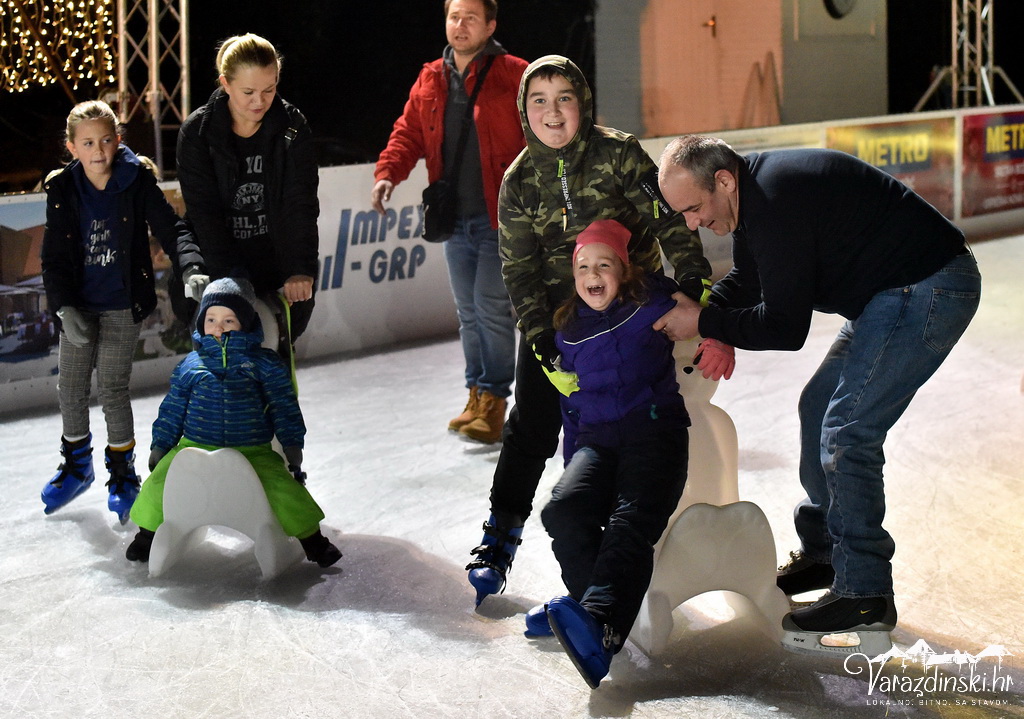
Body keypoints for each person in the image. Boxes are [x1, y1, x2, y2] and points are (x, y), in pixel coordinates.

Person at [656, 135, 981, 655]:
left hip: (928, 288)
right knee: (818, 406)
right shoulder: (753, 197)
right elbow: (750, 279)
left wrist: (707, 320)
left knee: (849, 431)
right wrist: (707, 311)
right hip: (886, 294)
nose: (692, 223)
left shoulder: (777, 200)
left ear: (722, 180)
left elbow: (786, 327)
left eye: (693, 209)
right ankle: (826, 552)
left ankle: (866, 592)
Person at [465, 55, 713, 606]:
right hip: (560, 322)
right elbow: (519, 269)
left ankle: (627, 534)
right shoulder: (519, 181)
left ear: (583, 103)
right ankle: (500, 535)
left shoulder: (619, 153)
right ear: (525, 111)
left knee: (634, 414)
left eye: (564, 98)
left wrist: (692, 282)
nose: (552, 112)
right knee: (532, 424)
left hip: (628, 310)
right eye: (539, 100)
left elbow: (666, 218)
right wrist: (537, 339)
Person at [526, 219, 698, 688]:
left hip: (654, 431)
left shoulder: (651, 303)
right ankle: (586, 614)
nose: (592, 274)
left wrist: (714, 332)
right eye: (583, 267)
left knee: (629, 521)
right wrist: (575, 472)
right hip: (598, 441)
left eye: (604, 264)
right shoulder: (568, 332)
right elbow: (571, 407)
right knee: (564, 510)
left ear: (624, 270)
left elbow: (697, 311)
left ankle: (599, 626)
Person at [40, 99, 207, 523]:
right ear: (72, 147)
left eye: (107, 140)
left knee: (113, 388)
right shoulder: (63, 189)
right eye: (88, 142)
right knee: (71, 387)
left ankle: (122, 474)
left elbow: (172, 229)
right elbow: (54, 257)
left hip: (121, 305)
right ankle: (78, 466)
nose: (99, 150)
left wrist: (190, 266)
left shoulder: (136, 180)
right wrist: (63, 308)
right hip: (79, 306)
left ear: (118, 141)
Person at [371, 0, 525, 444]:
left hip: (503, 217)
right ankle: (476, 394)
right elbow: (408, 133)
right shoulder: (431, 77)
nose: (460, 25)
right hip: (454, 218)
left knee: (491, 308)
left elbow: (544, 130)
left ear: (490, 25)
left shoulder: (515, 73)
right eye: (454, 17)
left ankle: (494, 402)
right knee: (468, 312)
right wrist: (387, 174)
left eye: (470, 18)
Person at [125, 277, 341, 568]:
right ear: (201, 322)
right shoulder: (191, 364)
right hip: (194, 445)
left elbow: (283, 405)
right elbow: (173, 409)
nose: (219, 326)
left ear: (246, 324)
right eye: (211, 318)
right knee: (159, 483)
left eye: (229, 320)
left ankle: (314, 542)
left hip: (252, 449)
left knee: (283, 489)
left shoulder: (264, 363)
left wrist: (291, 443)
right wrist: (161, 445)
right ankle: (147, 536)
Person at [176, 33, 319, 353]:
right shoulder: (198, 133)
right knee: (223, 374)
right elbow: (203, 214)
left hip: (275, 267)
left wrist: (300, 268)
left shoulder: (292, 127)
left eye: (269, 90)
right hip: (218, 265)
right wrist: (228, 285)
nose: (259, 101)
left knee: (273, 377)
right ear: (225, 83)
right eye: (248, 92)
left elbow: (301, 203)